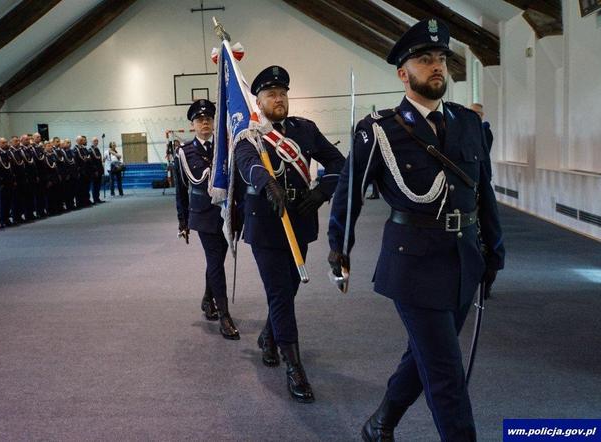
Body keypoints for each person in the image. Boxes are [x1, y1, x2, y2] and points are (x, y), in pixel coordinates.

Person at [327, 19, 505, 442]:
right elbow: (348, 194)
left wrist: (494, 251)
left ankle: (380, 422)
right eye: (425, 59)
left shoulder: (468, 124)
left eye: (441, 58)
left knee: (422, 356)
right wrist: (340, 249)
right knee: (446, 372)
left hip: (464, 260)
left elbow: (484, 192)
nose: (437, 65)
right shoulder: (379, 131)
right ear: (403, 73)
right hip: (413, 265)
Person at [234, 66, 345, 403]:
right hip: (267, 224)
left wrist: (322, 192)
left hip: (299, 219)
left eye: (282, 93)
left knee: (290, 288)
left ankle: (269, 337)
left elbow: (339, 162)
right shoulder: (250, 134)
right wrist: (267, 183)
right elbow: (246, 163)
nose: (278, 99)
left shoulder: (305, 129)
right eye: (270, 94)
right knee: (281, 292)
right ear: (259, 100)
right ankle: (294, 367)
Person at [175, 99, 240, 340]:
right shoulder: (184, 152)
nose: (205, 123)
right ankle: (224, 315)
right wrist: (183, 222)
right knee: (215, 261)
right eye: (200, 120)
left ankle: (206, 299)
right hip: (203, 216)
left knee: (217, 261)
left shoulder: (226, 148)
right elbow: (181, 190)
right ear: (192, 125)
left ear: (214, 122)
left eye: (209, 119)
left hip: (226, 214)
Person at [89, 137, 104, 203]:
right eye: (95, 141)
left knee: (98, 185)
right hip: (94, 171)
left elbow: (99, 160)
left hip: (99, 169)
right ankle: (95, 199)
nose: (96, 142)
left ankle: (97, 198)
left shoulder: (97, 149)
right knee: (94, 185)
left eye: (97, 141)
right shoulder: (90, 150)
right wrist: (95, 170)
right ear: (92, 142)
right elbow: (91, 162)